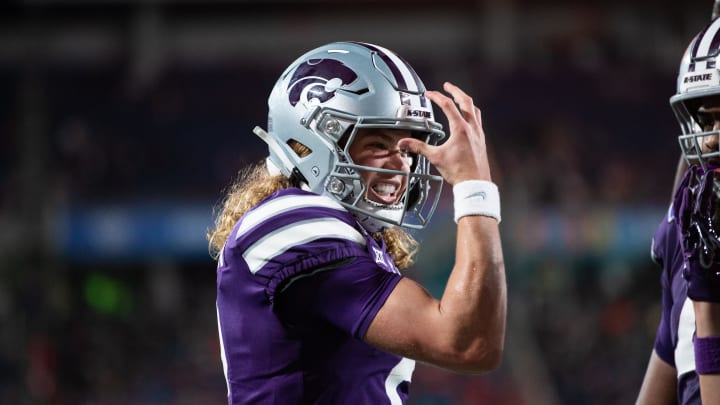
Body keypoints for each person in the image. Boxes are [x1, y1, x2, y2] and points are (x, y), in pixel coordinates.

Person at [206, 41, 507, 404]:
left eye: (407, 149)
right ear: (308, 142)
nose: (400, 165)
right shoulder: (291, 222)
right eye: (378, 143)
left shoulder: (356, 236)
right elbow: (468, 343)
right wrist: (475, 189)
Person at [636, 14, 720, 405]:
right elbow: (668, 357)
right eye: (705, 120)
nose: (710, 141)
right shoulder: (688, 227)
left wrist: (709, 316)